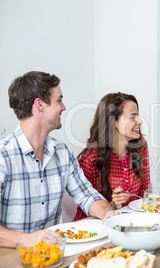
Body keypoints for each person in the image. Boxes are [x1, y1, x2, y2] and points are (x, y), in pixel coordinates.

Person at [0, 71, 118, 248]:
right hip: (13, 257)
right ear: (39, 104)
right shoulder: (3, 156)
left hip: (55, 254)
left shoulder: (61, 152)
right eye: (58, 100)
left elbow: (86, 196)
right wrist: (25, 240)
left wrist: (108, 214)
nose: (63, 107)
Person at [74, 92, 150, 221]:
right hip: (97, 227)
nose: (140, 121)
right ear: (113, 122)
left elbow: (145, 192)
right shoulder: (91, 158)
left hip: (133, 222)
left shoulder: (140, 145)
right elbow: (87, 209)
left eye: (138, 115)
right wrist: (112, 205)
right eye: (133, 117)